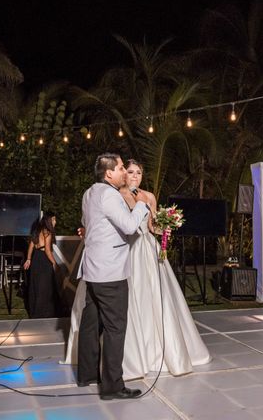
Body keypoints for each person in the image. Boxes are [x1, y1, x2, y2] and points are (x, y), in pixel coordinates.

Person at [65, 160, 211, 380]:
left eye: (138, 172)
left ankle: (153, 353)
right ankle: (125, 361)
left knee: (151, 301)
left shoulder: (149, 196)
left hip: (145, 250)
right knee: (120, 307)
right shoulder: (114, 195)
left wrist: (166, 226)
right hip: (122, 253)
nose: (134, 175)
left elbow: (152, 226)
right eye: (129, 171)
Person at [76, 153, 151, 401]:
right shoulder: (109, 195)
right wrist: (142, 205)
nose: (123, 172)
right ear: (109, 173)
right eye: (120, 168)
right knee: (115, 328)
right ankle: (112, 387)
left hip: (93, 270)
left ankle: (87, 375)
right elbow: (129, 226)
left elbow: (91, 226)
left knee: (90, 324)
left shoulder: (89, 193)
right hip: (110, 273)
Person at [24, 212, 58, 318]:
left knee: (36, 286)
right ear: (49, 220)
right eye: (54, 219)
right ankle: (43, 313)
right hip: (43, 259)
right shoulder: (47, 232)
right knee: (45, 287)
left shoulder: (37, 230)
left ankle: (35, 312)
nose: (55, 222)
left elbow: (31, 246)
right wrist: (54, 263)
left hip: (36, 258)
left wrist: (29, 259)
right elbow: (47, 250)